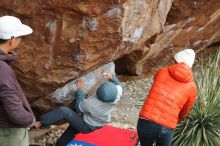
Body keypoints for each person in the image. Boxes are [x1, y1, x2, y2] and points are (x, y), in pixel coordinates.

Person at [35, 72, 123, 146]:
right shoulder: (117, 93)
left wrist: (80, 90)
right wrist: (111, 77)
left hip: (87, 125)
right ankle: (60, 145)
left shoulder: (92, 105)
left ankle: (39, 123)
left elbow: (79, 108)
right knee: (73, 127)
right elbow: (118, 84)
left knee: (64, 111)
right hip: (98, 121)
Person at [137, 49, 197, 146]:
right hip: (166, 127)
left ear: (176, 61)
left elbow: (156, 86)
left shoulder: (161, 72)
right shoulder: (192, 88)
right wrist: (174, 120)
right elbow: (184, 112)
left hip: (146, 121)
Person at [0, 16, 36, 146]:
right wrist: (30, 120)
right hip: (8, 132)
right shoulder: (3, 70)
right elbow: (15, 112)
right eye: (20, 37)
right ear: (12, 40)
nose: (21, 40)